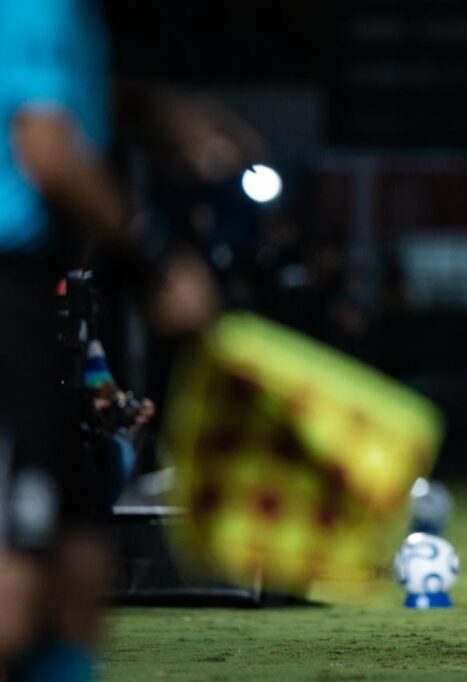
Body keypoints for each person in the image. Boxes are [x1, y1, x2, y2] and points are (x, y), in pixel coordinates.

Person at [0, 0, 257, 675]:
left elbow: (47, 96)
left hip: (37, 308)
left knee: (80, 570)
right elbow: (47, 150)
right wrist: (154, 257)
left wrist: (148, 111)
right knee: (20, 598)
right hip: (10, 290)